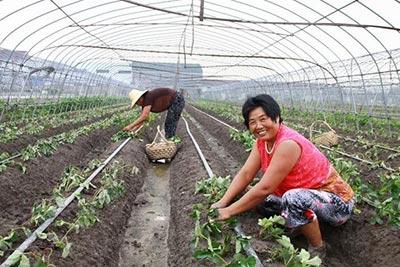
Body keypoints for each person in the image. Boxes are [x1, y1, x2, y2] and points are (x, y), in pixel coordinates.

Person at [211, 94, 354, 259]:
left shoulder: (288, 144)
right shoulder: (262, 142)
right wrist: (223, 201)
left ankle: (318, 247)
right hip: (309, 197)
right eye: (252, 122)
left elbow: (266, 187)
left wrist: (228, 211)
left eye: (263, 119)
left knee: (292, 198)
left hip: (337, 204)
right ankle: (298, 224)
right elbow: (246, 173)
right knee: (262, 201)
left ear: (276, 117)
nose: (258, 126)